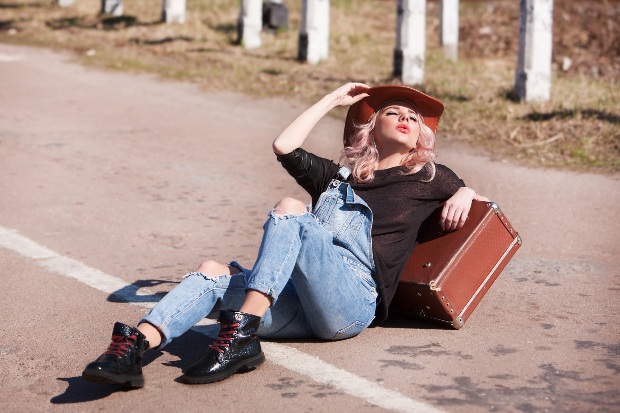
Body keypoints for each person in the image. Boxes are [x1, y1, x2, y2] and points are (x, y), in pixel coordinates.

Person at [81, 83, 487, 388]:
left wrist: (465, 191)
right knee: (210, 270)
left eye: (414, 118)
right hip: (298, 302)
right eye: (393, 112)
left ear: (420, 137)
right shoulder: (335, 177)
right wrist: (332, 100)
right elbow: (284, 145)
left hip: (351, 303)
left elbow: (484, 206)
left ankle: (241, 333)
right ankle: (132, 351)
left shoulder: (430, 177)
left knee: (293, 208)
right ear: (370, 129)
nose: (406, 118)